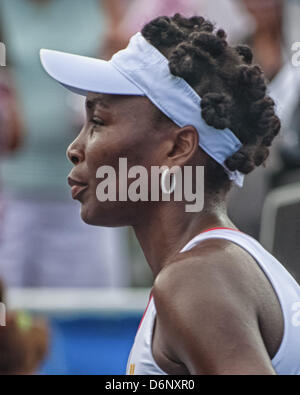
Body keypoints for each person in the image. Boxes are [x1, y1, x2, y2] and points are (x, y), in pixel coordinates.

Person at [40, 14, 300, 375]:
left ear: (178, 148)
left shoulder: (196, 280)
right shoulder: (214, 268)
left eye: (98, 122)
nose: (75, 148)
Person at [0, 0, 130, 287]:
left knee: (92, 317)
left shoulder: (105, 6)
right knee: (12, 322)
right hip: (14, 198)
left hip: (92, 196)